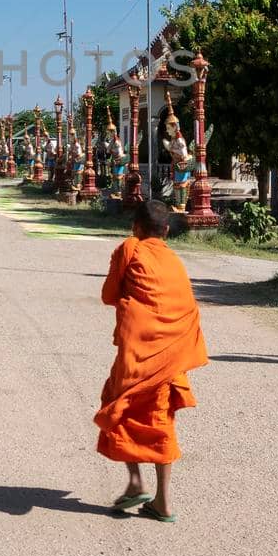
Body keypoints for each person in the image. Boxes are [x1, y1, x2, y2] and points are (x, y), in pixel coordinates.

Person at [95, 199, 207, 523]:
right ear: (167, 231)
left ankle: (134, 482)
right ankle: (163, 502)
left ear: (136, 228)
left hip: (137, 355)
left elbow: (107, 295)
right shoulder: (175, 260)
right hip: (171, 357)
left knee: (118, 405)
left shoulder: (131, 249)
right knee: (161, 422)